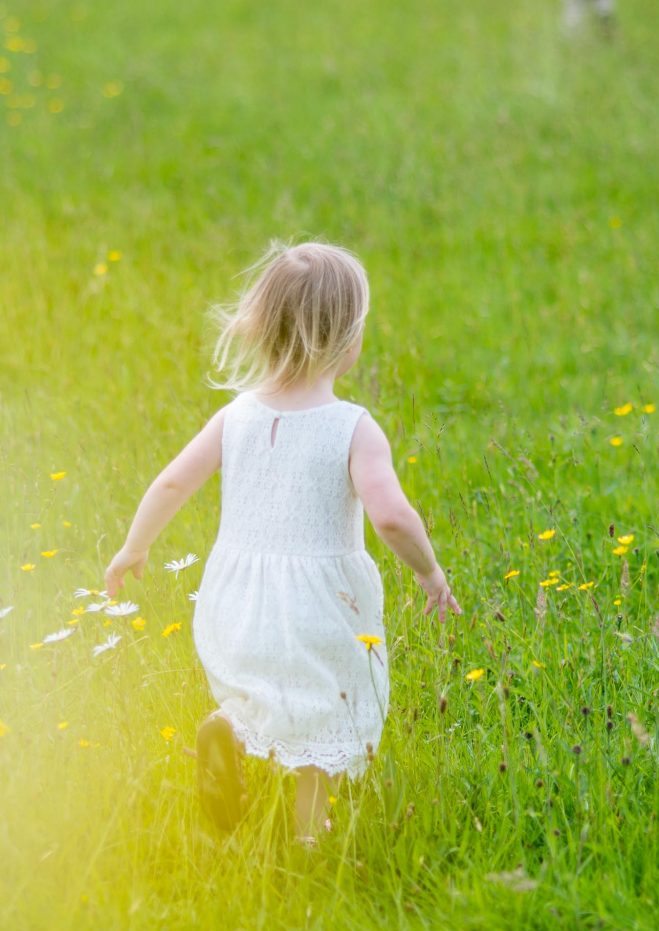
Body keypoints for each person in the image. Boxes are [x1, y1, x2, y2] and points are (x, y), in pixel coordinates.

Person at [104, 239, 462, 847]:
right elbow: (393, 518)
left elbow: (172, 481)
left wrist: (134, 547)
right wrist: (431, 574)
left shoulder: (237, 416)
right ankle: (308, 833)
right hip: (323, 607)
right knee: (322, 706)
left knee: (256, 686)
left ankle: (228, 729)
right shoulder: (353, 428)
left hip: (236, 597)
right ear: (348, 341)